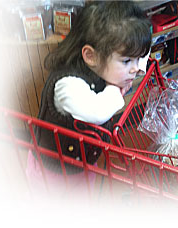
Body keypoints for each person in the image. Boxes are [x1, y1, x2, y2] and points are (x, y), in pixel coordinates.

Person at [26, 1, 151, 200]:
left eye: (139, 59)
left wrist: (137, 61)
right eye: (127, 61)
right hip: (54, 172)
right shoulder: (67, 85)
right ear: (90, 56)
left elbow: (140, 52)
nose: (136, 68)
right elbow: (96, 112)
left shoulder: (103, 62)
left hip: (83, 163)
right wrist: (115, 90)